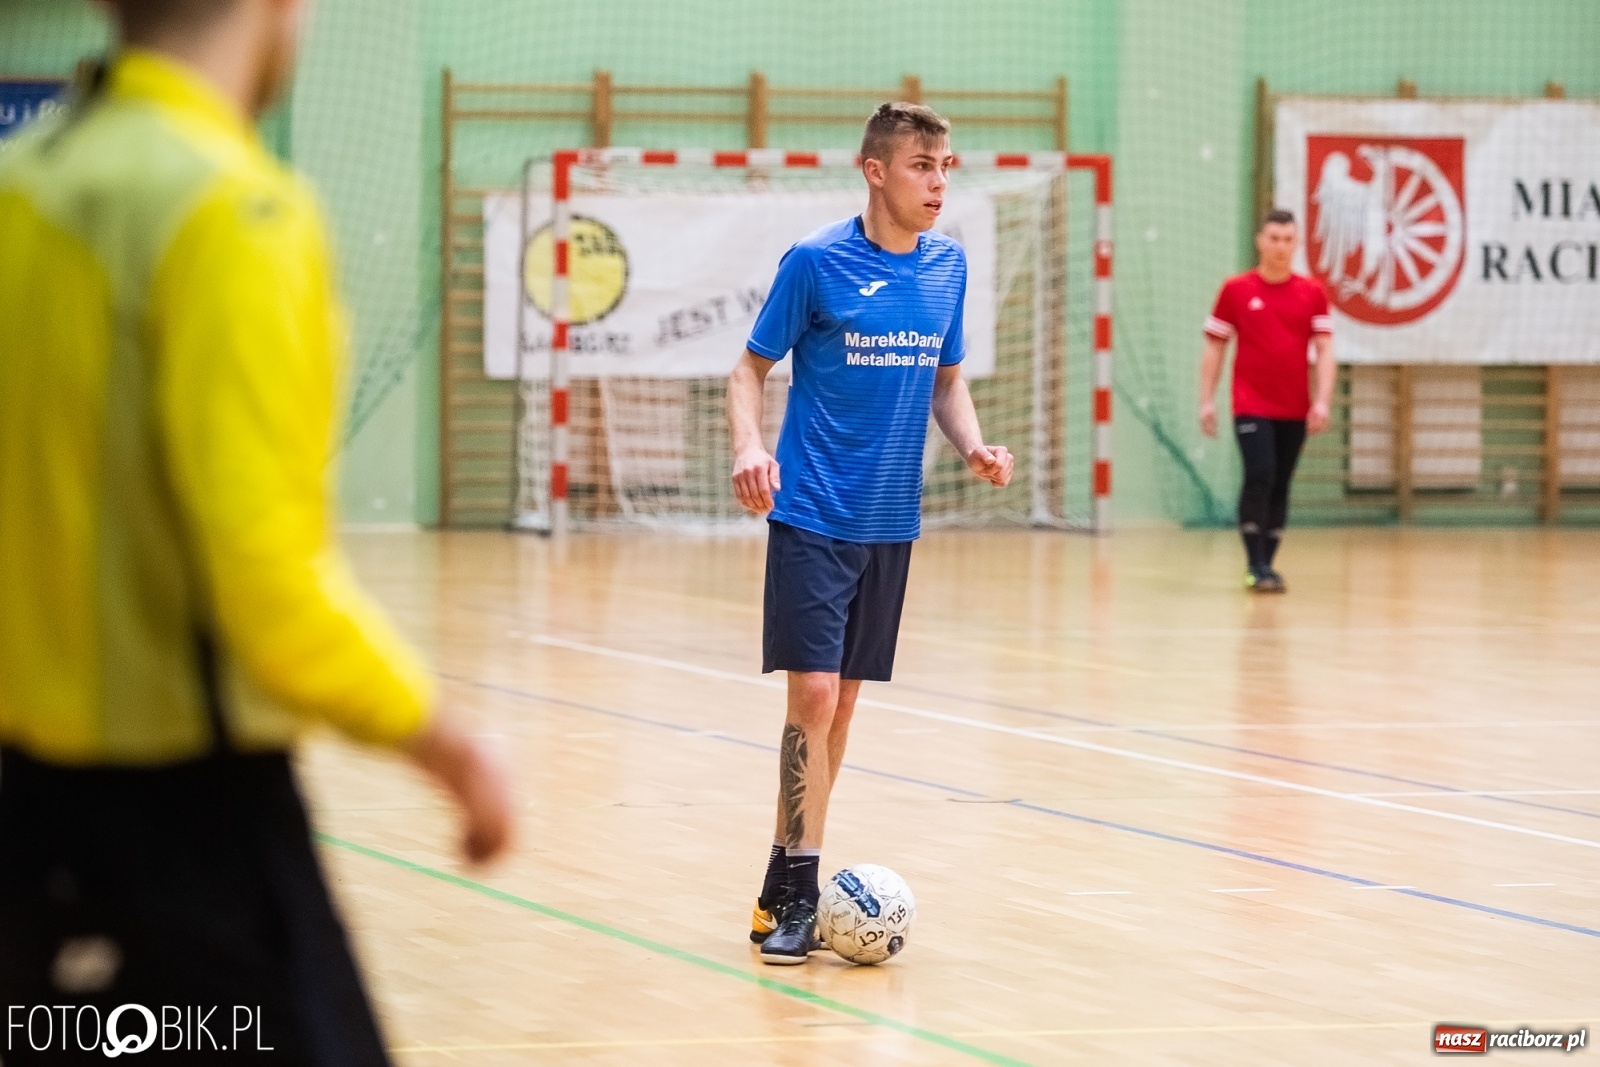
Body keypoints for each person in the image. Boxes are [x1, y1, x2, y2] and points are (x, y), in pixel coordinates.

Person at [0, 1, 513, 1062]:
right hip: (181, 830)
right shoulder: (233, 212)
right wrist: (443, 738)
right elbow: (265, 575)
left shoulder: (20, 187)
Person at [726, 102, 1014, 965]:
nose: (939, 182)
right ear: (876, 171)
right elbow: (748, 366)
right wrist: (750, 444)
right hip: (813, 509)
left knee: (843, 703)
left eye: (948, 165)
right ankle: (800, 889)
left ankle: (785, 868)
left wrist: (974, 444)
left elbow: (947, 381)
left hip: (893, 521)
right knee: (811, 698)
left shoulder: (947, 270)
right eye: (923, 164)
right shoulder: (815, 263)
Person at [1199, 209, 1336, 594]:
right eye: (1273, 238)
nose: (1280, 246)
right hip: (1251, 404)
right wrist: (1206, 400)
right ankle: (1254, 563)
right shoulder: (1237, 290)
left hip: (1294, 405)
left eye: (1288, 239)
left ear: (1296, 243)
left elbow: (1325, 349)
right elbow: (1215, 347)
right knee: (1260, 471)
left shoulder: (1312, 293)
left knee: (1280, 482)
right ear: (1260, 240)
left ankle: (1268, 564)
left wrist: (1322, 401)